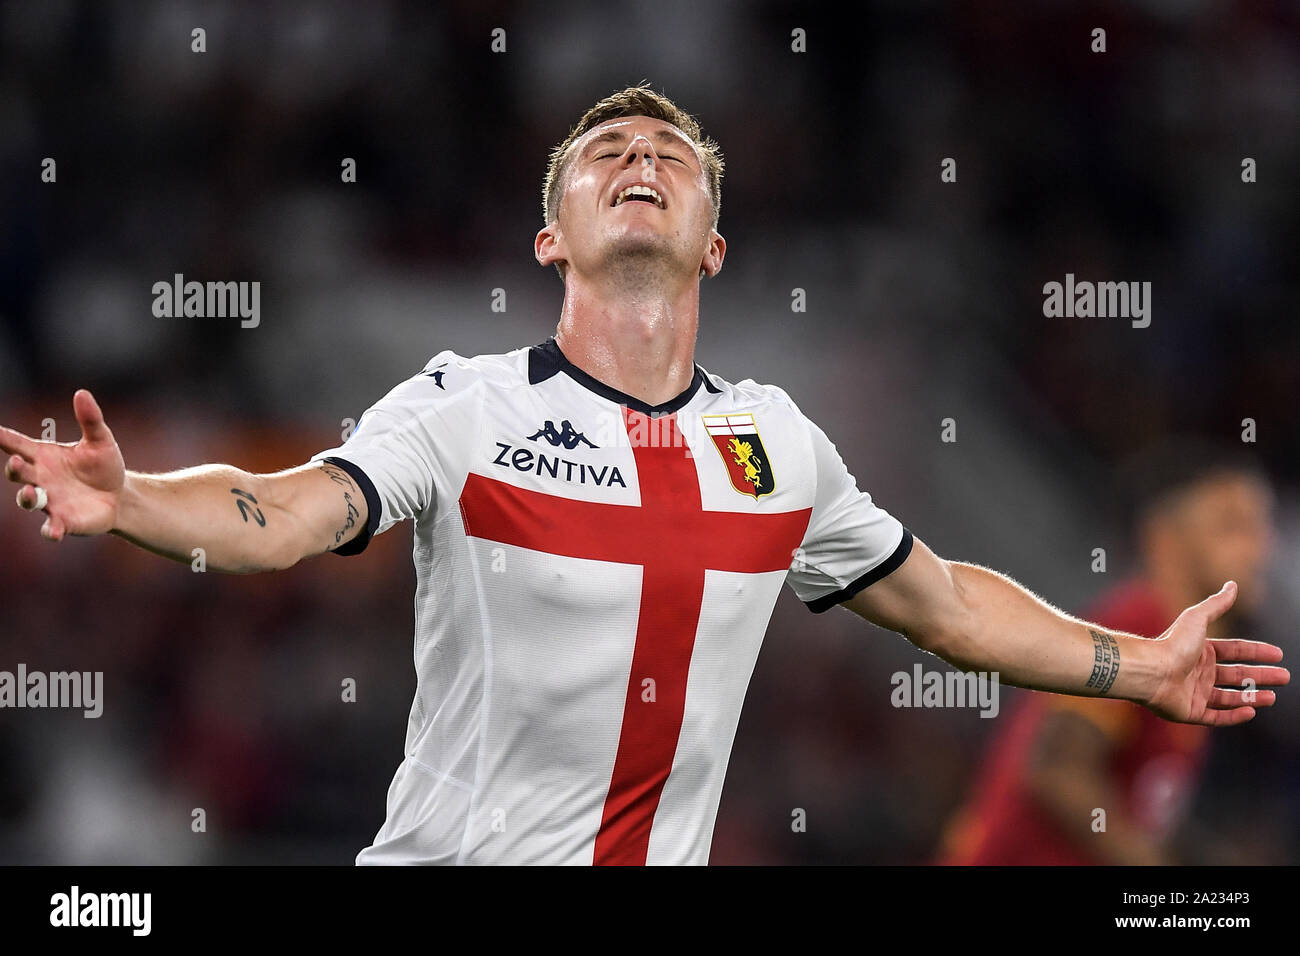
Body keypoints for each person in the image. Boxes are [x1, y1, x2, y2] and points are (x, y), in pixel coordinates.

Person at [2, 85, 1288, 865]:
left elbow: (945, 602)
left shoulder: (778, 447)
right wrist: (135, 502)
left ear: (714, 244)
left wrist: (1137, 665)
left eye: (670, 157)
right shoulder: (464, 404)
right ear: (551, 233)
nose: (641, 160)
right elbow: (286, 512)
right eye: (607, 149)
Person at [939, 440, 1277, 865]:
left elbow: (1132, 803)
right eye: (1232, 526)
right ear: (1165, 538)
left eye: (1262, 526)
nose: (1260, 546)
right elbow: (1057, 768)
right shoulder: (1140, 622)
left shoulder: (1185, 651)